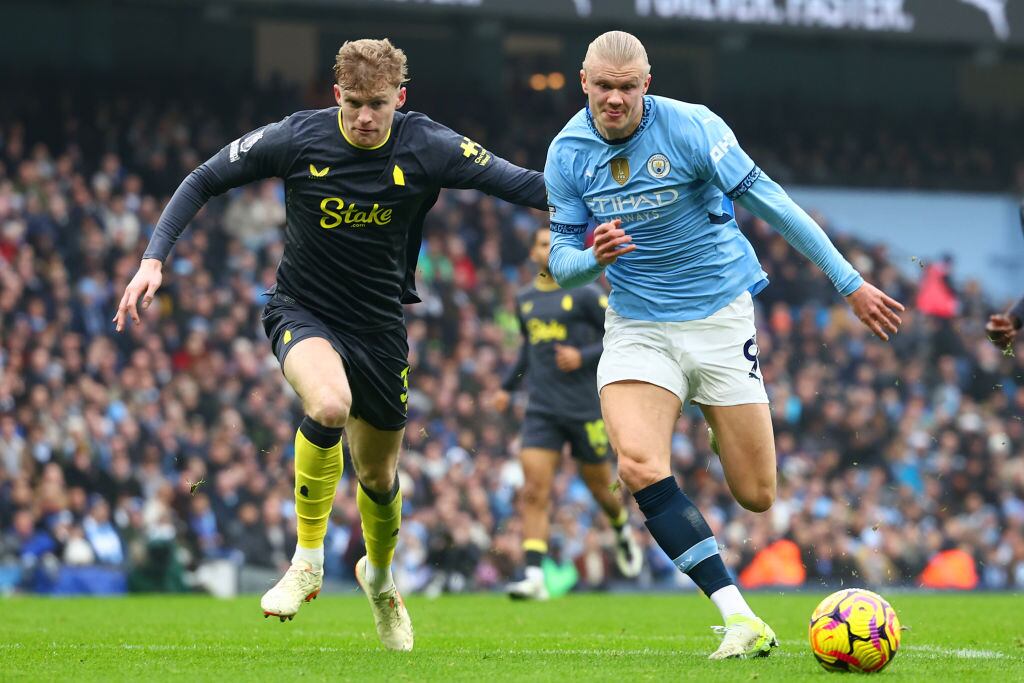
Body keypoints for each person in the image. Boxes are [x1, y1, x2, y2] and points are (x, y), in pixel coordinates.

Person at [113, 38, 546, 651]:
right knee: (327, 406)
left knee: (378, 476)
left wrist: (616, 209)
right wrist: (153, 259)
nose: (365, 118)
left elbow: (526, 185)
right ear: (335, 95)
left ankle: (380, 578)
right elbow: (204, 177)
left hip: (379, 329)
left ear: (401, 97)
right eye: (354, 104)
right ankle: (307, 560)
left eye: (378, 105)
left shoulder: (431, 145)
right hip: (302, 310)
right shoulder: (299, 137)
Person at [544, 31, 904, 659]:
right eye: (604, 86)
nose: (615, 99)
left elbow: (774, 204)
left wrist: (850, 283)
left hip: (719, 319)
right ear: (584, 83)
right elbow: (559, 260)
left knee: (757, 495)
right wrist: (589, 259)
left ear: (646, 85)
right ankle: (738, 616)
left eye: (628, 87)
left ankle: (715, 415)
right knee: (638, 465)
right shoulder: (567, 154)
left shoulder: (693, 129)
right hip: (638, 326)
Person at [494, 227, 642, 601]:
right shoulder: (525, 299)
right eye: (542, 243)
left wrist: (582, 356)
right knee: (533, 491)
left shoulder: (586, 293)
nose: (547, 248)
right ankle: (533, 575)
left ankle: (620, 526)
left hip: (583, 408)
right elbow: (529, 349)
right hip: (541, 409)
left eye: (552, 243)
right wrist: (507, 387)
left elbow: (617, 334)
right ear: (532, 254)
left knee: (599, 486)